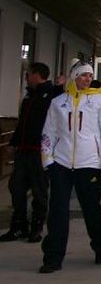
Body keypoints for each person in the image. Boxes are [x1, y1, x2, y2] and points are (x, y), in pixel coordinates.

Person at [39, 60, 101, 273]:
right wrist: (48, 161)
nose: (87, 79)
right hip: (61, 164)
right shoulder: (59, 103)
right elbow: (49, 132)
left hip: (88, 164)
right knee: (57, 211)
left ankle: (100, 247)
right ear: (74, 77)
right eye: (83, 75)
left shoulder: (99, 102)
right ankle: (53, 257)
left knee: (92, 208)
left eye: (90, 76)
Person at [0, 62, 63, 244]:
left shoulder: (51, 94)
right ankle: (18, 226)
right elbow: (22, 125)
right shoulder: (29, 97)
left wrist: (60, 88)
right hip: (24, 150)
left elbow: (61, 105)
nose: (27, 77)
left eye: (29, 74)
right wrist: (13, 144)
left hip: (41, 152)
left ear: (37, 75)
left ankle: (36, 227)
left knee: (39, 190)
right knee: (16, 187)